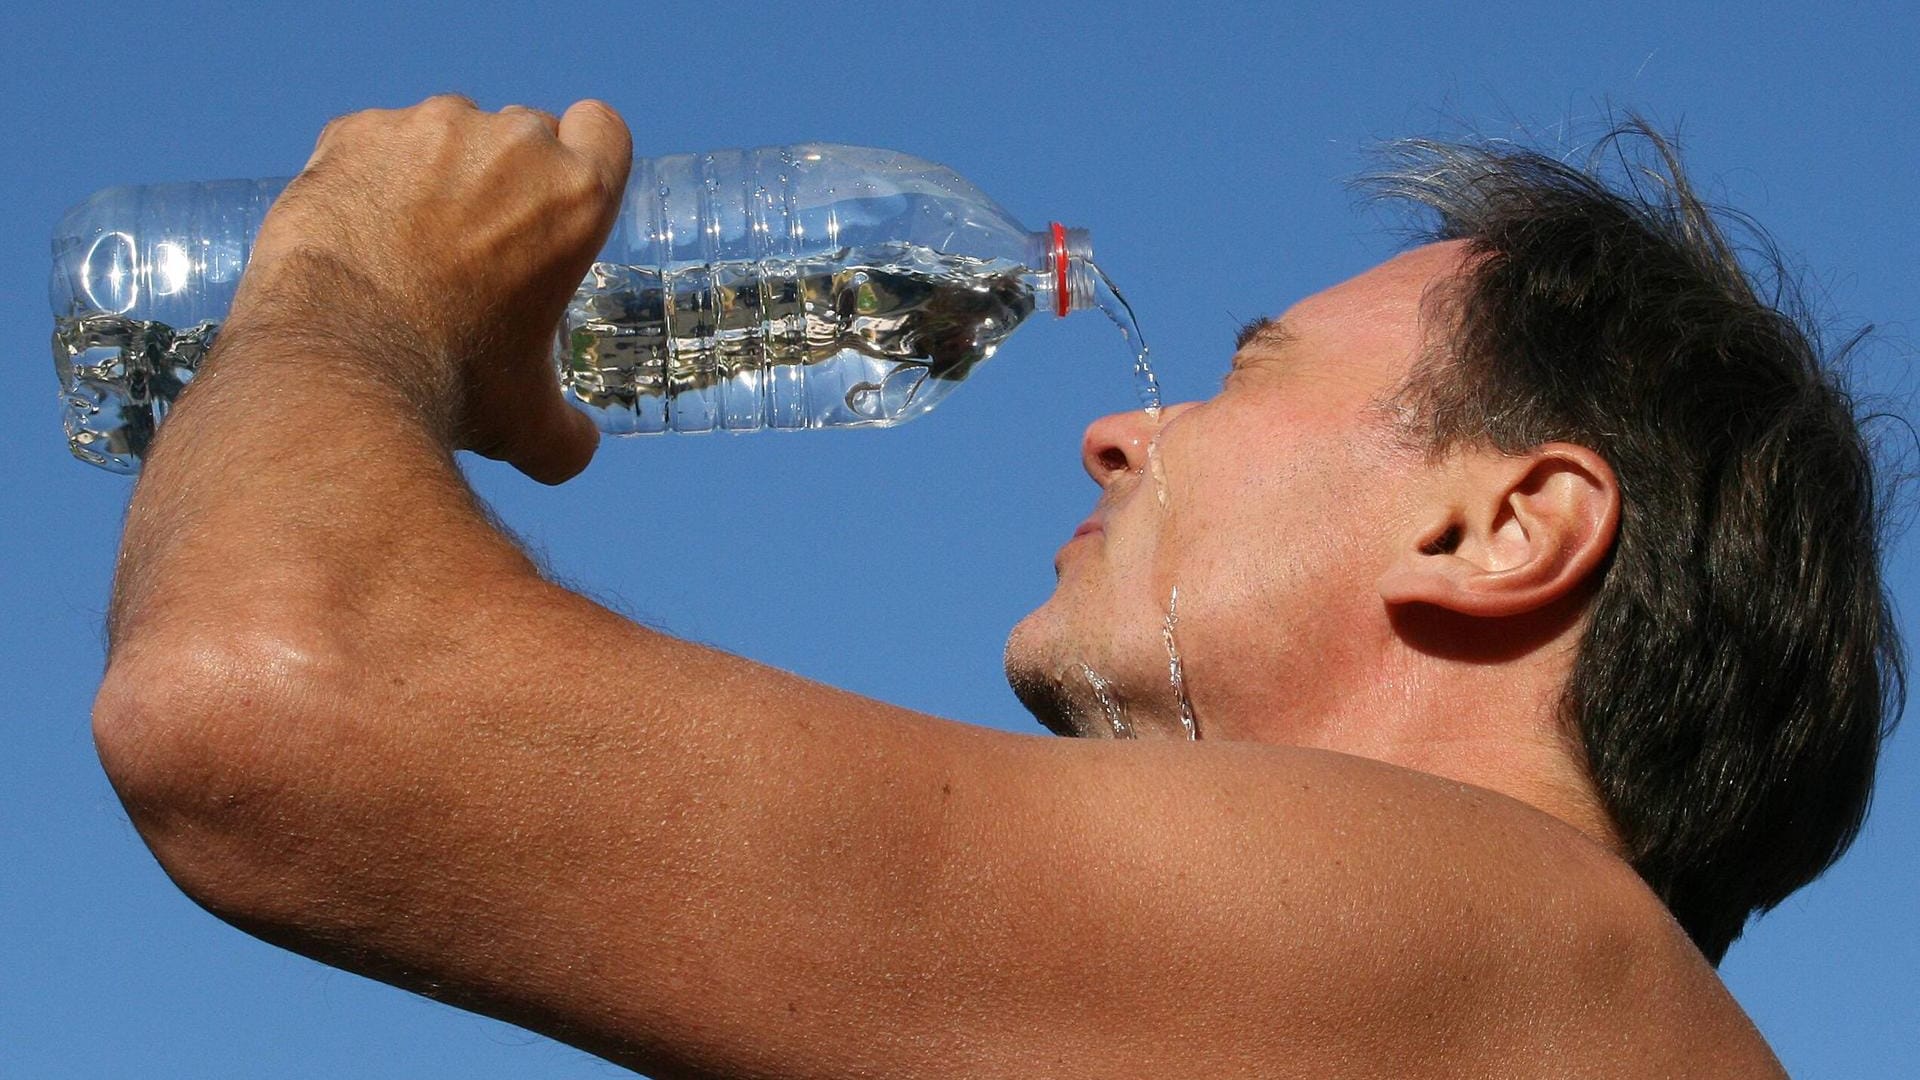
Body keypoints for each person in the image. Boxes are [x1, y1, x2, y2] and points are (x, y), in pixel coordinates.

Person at [91, 96, 1901, 1078]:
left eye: (1250, 373)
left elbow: (277, 690)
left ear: (1502, 532)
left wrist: (345, 284)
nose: (1123, 439)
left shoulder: (1515, 942)